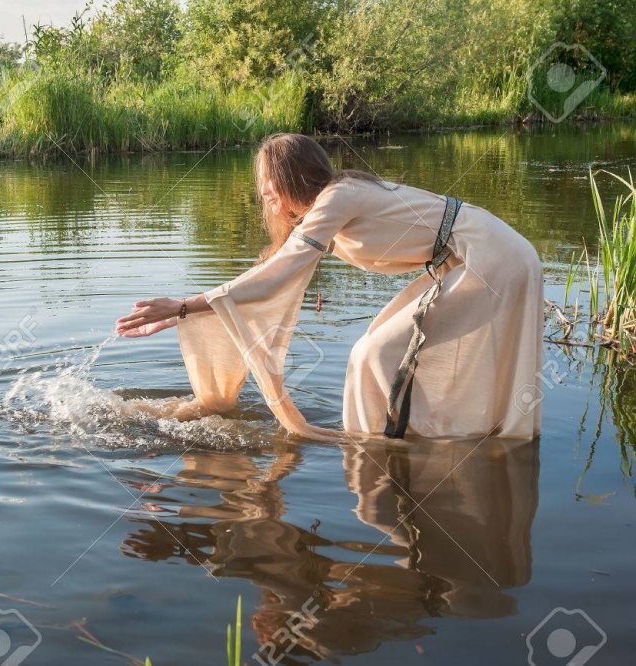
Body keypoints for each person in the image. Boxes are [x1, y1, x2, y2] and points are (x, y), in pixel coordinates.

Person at [116, 133, 543, 440]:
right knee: (375, 350)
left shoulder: (339, 196)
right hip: (462, 258)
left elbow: (281, 274)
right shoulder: (328, 208)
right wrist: (186, 311)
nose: (264, 195)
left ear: (293, 178)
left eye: (268, 186)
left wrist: (185, 305)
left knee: (373, 352)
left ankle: (381, 446)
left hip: (490, 257)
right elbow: (270, 273)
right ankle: (391, 439)